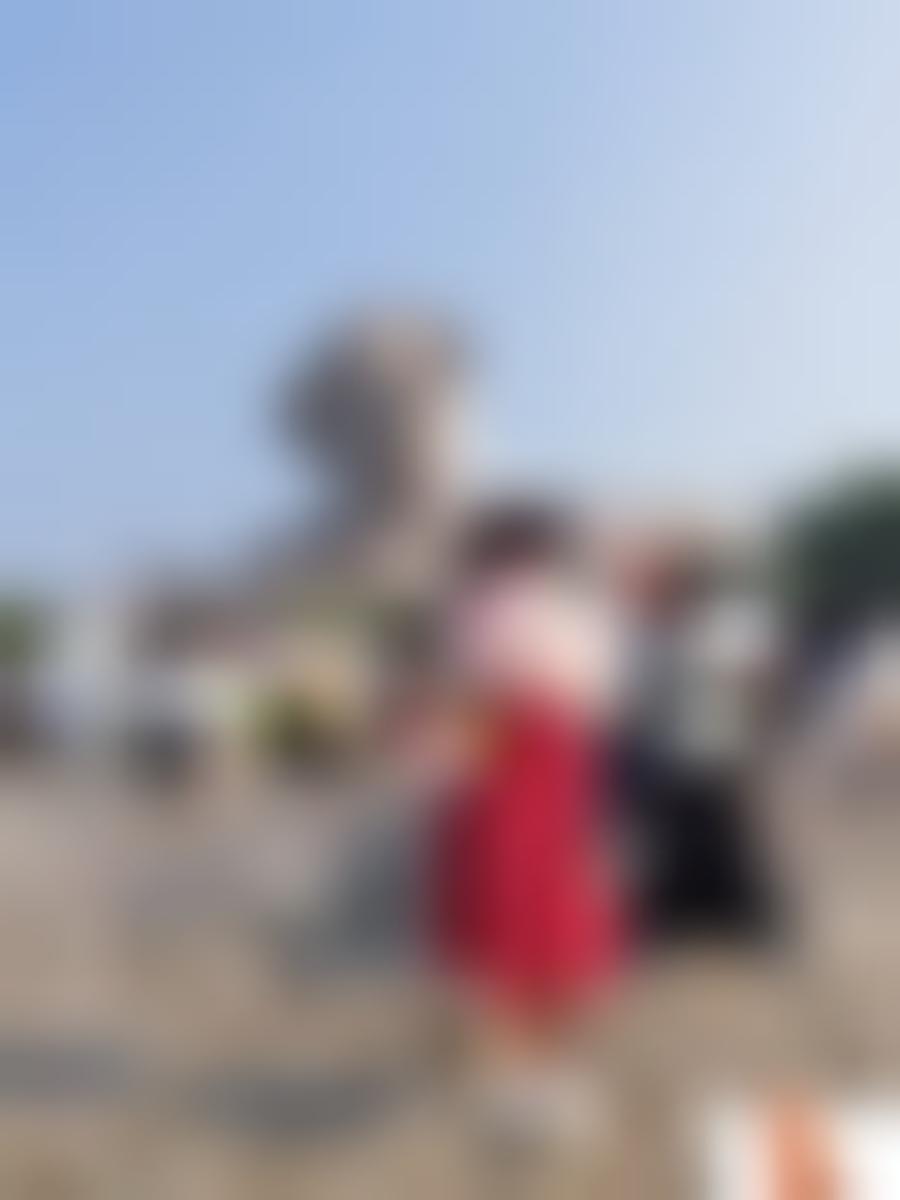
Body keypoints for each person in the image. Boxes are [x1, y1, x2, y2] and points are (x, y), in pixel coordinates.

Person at [426, 503, 625, 1144]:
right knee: (559, 926)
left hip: (504, 769)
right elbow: (598, 699)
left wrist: (448, 774)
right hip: (567, 766)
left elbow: (472, 707)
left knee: (502, 933)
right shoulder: (582, 613)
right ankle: (560, 1078)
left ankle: (520, 1087)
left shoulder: (480, 611)